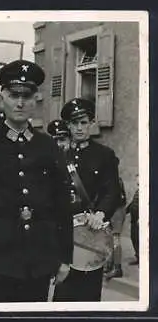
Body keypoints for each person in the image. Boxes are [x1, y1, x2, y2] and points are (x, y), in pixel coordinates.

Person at [0, 60, 73, 302]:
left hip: (38, 258)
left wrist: (65, 257)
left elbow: (61, 205)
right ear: (2, 97)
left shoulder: (48, 146)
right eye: (13, 95)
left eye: (27, 96)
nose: (20, 103)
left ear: (35, 100)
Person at [53, 98, 121, 302]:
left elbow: (112, 191)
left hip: (90, 234)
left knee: (88, 295)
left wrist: (100, 214)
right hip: (62, 233)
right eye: (74, 123)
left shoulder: (104, 155)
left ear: (92, 123)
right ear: (68, 125)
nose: (79, 128)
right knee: (61, 295)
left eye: (84, 122)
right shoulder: (57, 155)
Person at [127, 183, 139, 265]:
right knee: (133, 238)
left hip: (139, 221)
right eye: (137, 184)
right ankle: (138, 257)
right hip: (133, 220)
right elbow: (132, 204)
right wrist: (125, 211)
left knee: (139, 240)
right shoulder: (137, 192)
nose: (138, 185)